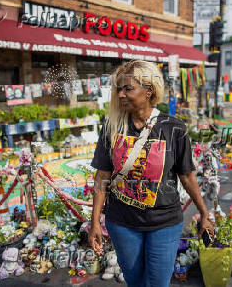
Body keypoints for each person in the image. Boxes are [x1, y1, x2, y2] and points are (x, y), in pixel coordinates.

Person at [88, 60, 214, 287]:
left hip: (164, 222)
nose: (121, 94)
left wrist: (204, 212)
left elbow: (187, 175)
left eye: (128, 88)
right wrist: (95, 221)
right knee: (135, 281)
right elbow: (102, 176)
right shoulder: (112, 127)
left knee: (158, 283)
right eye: (118, 89)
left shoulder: (173, 127)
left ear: (148, 91)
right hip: (122, 222)